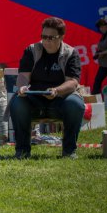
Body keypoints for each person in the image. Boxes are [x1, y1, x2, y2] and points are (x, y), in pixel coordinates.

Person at [9, 17, 86, 159]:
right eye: (43, 37)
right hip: (34, 100)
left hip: (61, 100)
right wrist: (22, 87)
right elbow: (23, 76)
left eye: (51, 37)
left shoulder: (71, 53)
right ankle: (22, 151)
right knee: (17, 102)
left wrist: (57, 91)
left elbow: (73, 82)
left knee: (75, 104)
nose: (46, 41)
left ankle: (69, 151)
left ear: (62, 37)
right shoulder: (31, 50)